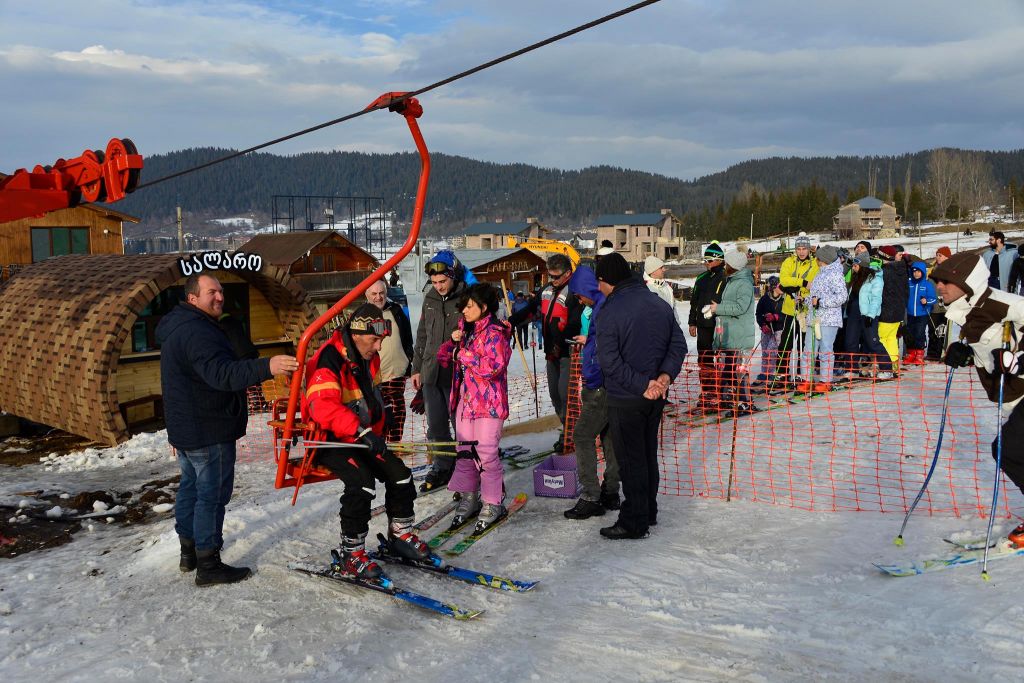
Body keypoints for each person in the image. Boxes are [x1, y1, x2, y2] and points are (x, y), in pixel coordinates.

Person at [157, 273, 298, 586]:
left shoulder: (180, 326)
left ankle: (189, 553)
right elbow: (222, 375)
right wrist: (268, 366)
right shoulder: (197, 331)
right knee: (211, 496)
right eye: (212, 292)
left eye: (221, 291)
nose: (219, 297)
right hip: (208, 427)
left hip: (188, 426)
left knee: (191, 488)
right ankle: (209, 565)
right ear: (192, 298)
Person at [305, 303, 430, 579]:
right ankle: (351, 552)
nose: (379, 346)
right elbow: (322, 407)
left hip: (362, 436)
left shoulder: (367, 357)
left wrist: (382, 417)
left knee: (401, 476)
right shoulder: (329, 358)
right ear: (357, 334)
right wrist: (362, 431)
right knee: (362, 483)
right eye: (375, 339)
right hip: (330, 440)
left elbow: (370, 397)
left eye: (381, 340)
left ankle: (400, 535)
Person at [931, 252, 1024, 546]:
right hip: (1013, 395)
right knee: (1010, 450)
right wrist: (968, 356)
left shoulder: (1002, 303)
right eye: (937, 281)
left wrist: (1021, 359)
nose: (939, 287)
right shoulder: (965, 311)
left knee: (1009, 449)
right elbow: (990, 349)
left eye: (945, 281)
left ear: (967, 282)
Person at [595, 253, 686, 540]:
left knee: (632, 460)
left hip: (627, 397)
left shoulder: (609, 311)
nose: (598, 288)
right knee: (647, 455)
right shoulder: (658, 302)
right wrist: (664, 377)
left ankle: (634, 520)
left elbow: (609, 361)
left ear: (607, 281)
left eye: (599, 282)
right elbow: (678, 345)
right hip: (654, 396)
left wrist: (644, 384)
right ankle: (648, 510)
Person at [434, 284, 513, 532]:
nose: (464, 312)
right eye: (463, 307)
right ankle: (469, 497)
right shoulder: (465, 331)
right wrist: (452, 343)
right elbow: (443, 357)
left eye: (469, 307)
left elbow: (493, 367)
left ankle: (492, 502)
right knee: (465, 453)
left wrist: (463, 355)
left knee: (486, 454)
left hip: (489, 404)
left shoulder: (496, 333)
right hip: (466, 402)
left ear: (484, 307)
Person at [507, 253, 583, 451]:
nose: (552, 280)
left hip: (568, 352)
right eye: (550, 276)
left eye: (556, 276)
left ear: (568, 273)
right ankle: (567, 430)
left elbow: (575, 323)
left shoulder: (575, 293)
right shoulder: (547, 290)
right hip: (551, 353)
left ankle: (574, 435)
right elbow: (531, 309)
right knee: (554, 395)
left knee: (566, 396)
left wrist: (560, 340)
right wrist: (510, 322)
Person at [563, 266, 620, 519]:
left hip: (600, 385)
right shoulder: (603, 306)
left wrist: (594, 379)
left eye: (578, 295)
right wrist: (588, 341)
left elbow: (605, 347)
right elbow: (600, 341)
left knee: (582, 435)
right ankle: (610, 491)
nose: (578, 301)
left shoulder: (602, 308)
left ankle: (590, 495)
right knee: (608, 437)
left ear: (587, 289)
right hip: (606, 383)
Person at [412, 252, 470, 492]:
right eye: (435, 282)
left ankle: (467, 468)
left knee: (461, 425)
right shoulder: (430, 298)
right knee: (436, 425)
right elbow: (422, 335)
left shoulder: (466, 298)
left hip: (456, 373)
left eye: (442, 281)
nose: (439, 286)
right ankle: (443, 465)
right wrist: (416, 368)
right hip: (431, 371)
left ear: (453, 277)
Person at [708, 250, 756, 414]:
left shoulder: (744, 284)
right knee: (728, 369)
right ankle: (727, 398)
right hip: (730, 335)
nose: (724, 266)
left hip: (739, 336)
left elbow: (741, 307)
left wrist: (718, 308)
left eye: (727, 263)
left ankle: (745, 402)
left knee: (738, 371)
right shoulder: (732, 281)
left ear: (733, 266)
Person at [365, 279, 413, 443]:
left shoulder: (396, 310)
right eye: (374, 294)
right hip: (375, 374)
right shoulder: (362, 315)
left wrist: (408, 357)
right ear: (367, 295)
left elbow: (407, 336)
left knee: (397, 409)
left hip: (397, 370)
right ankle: (379, 444)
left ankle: (394, 444)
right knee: (378, 411)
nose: (378, 297)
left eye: (382, 293)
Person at [797, 245, 847, 392]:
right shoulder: (819, 273)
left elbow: (842, 297)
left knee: (825, 350)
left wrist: (821, 302)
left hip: (828, 319)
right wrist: (805, 300)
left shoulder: (836, 274)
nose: (816, 260)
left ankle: (826, 380)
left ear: (824, 259)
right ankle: (807, 379)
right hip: (814, 317)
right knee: (808, 349)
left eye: (818, 258)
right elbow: (815, 296)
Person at [774, 233, 819, 389]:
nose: (801, 252)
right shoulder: (789, 261)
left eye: (804, 249)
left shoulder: (814, 264)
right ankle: (782, 374)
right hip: (789, 309)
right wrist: (803, 282)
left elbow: (815, 284)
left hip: (805, 309)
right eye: (798, 249)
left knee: (804, 344)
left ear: (809, 249)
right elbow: (784, 280)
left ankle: (802, 374)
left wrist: (803, 292)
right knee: (785, 343)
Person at [687, 242, 726, 411]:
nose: (706, 264)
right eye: (705, 261)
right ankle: (708, 391)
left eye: (709, 261)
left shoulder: (725, 277)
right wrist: (692, 322)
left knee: (722, 358)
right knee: (704, 359)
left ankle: (723, 390)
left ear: (719, 260)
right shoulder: (701, 278)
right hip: (704, 325)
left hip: (720, 324)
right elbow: (694, 302)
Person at [840, 255, 892, 380]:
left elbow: (876, 298)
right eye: (853, 265)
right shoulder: (855, 277)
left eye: (856, 265)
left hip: (867, 314)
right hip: (853, 314)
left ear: (863, 266)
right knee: (850, 342)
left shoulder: (875, 278)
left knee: (873, 342)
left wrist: (871, 315)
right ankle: (852, 369)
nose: (853, 268)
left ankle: (887, 369)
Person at [876, 245, 909, 372]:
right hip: (898, 311)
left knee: (882, 339)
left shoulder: (884, 272)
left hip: (886, 311)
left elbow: (881, 293)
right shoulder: (901, 270)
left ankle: (885, 367)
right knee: (891, 339)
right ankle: (894, 367)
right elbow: (906, 291)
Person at [904, 261, 937, 366]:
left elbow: (934, 299)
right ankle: (911, 353)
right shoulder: (909, 283)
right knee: (910, 334)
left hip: (922, 314)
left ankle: (919, 354)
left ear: (923, 272)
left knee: (919, 333)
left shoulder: (927, 284)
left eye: (918, 272)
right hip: (910, 314)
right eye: (914, 272)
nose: (916, 274)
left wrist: (926, 301)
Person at [754, 276, 784, 385]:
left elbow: (787, 316)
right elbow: (758, 313)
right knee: (765, 352)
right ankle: (764, 373)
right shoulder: (764, 299)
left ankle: (771, 374)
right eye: (780, 286)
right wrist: (762, 324)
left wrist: (776, 317)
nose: (782, 288)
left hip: (778, 330)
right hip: (766, 330)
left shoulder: (784, 299)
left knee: (771, 351)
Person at [643, 256, 679, 323]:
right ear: (653, 271)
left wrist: (677, 325)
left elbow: (673, 309)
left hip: (670, 326)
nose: (664, 270)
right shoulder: (645, 289)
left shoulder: (667, 286)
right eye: (661, 268)